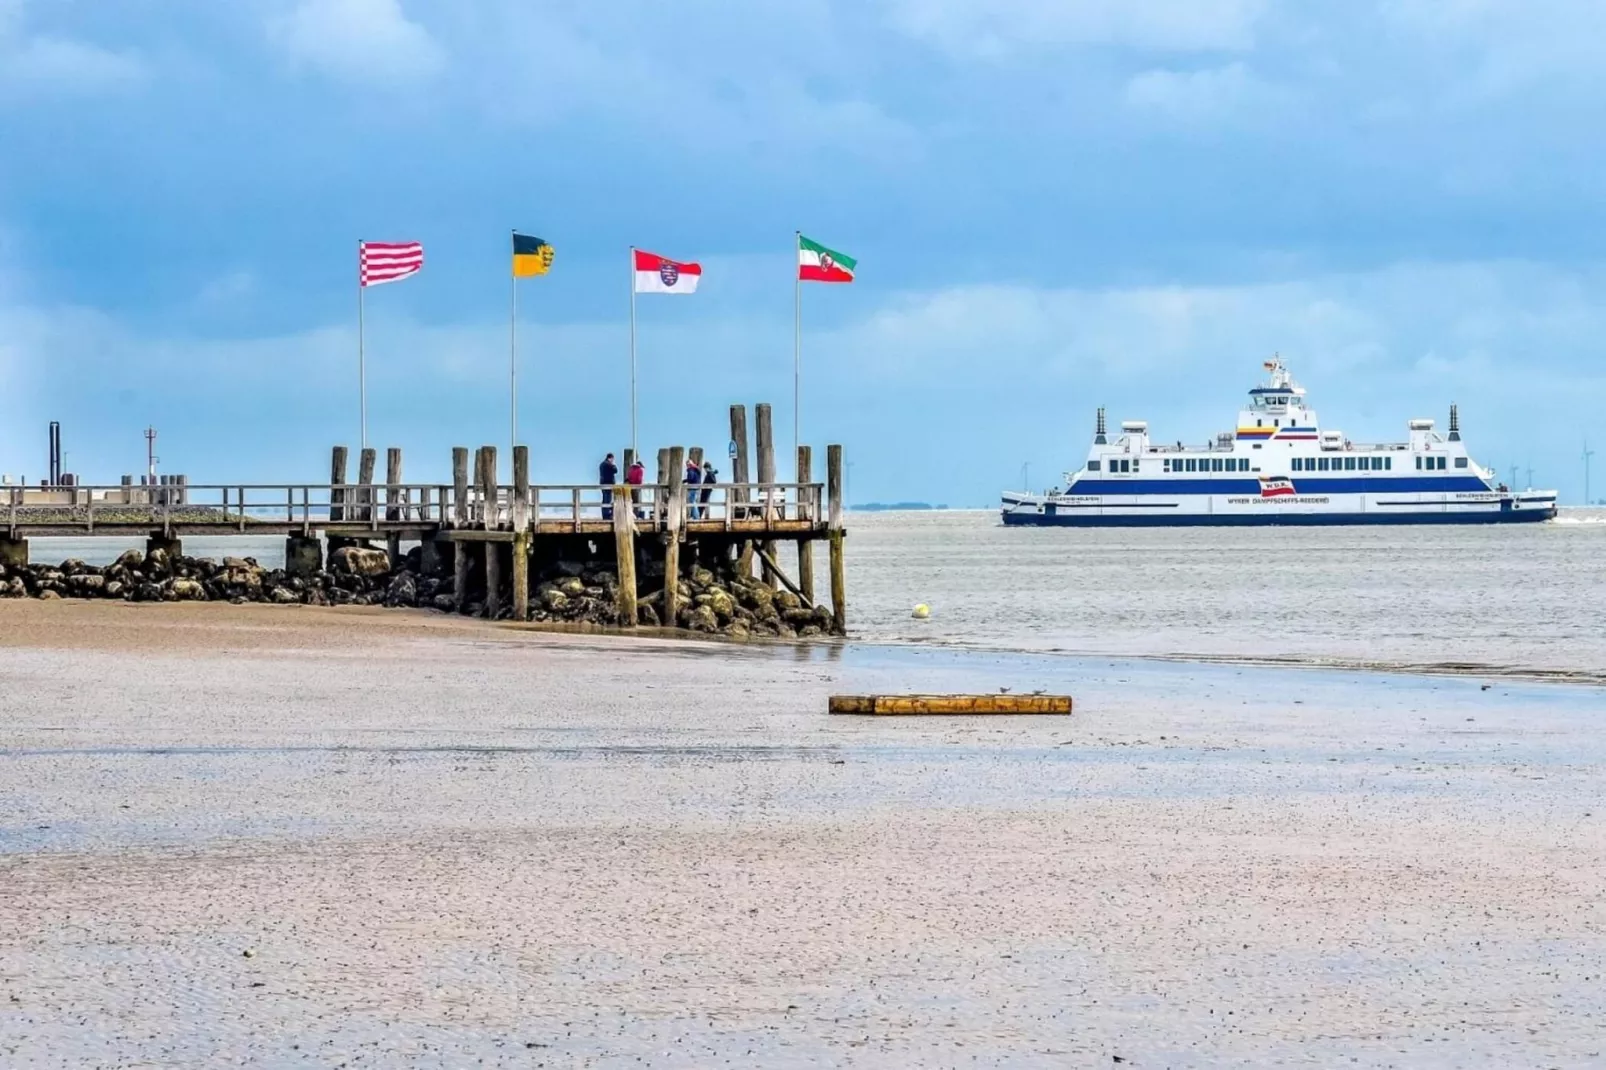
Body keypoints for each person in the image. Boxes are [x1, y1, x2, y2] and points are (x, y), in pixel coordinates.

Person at [598, 452, 618, 519]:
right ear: (610, 458)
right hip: (608, 484)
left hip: (603, 483)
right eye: (612, 459)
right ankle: (607, 515)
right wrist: (613, 464)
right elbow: (615, 470)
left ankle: (604, 515)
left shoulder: (601, 464)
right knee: (608, 500)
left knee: (604, 499)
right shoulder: (609, 464)